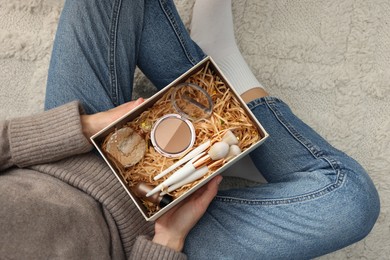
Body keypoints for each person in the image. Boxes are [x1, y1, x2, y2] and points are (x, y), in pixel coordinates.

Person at [0, 0, 380, 259]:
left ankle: (217, 75)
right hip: (141, 237)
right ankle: (225, 73)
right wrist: (168, 242)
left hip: (65, 157)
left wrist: (80, 127)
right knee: (350, 202)